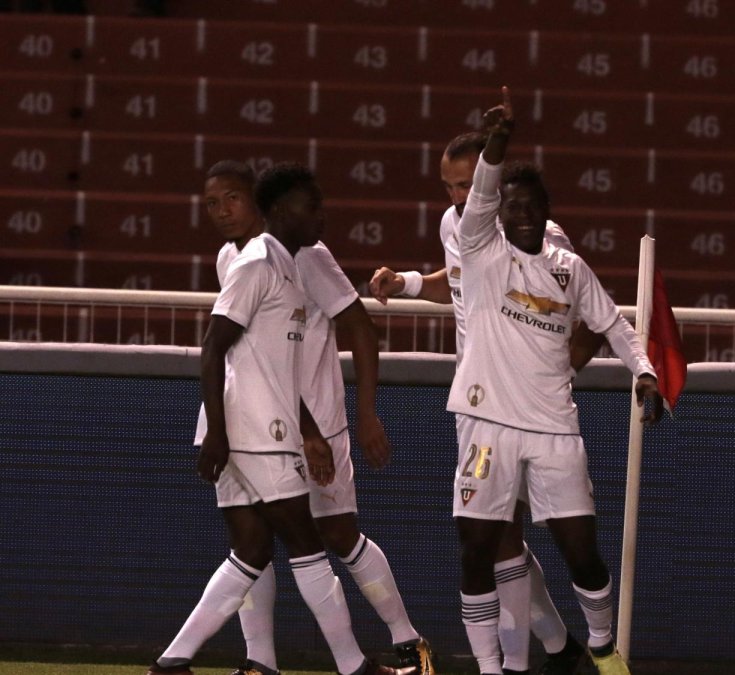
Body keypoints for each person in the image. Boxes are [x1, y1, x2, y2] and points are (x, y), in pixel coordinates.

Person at [149, 163, 397, 675]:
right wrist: (219, 433)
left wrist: (304, 427)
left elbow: (268, 363)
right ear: (280, 211)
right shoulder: (258, 264)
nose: (321, 218)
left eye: (230, 200)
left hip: (258, 427)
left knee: (250, 552)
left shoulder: (281, 263)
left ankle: (173, 663)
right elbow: (214, 347)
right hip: (255, 432)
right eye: (312, 208)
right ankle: (356, 668)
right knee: (308, 546)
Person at [446, 87, 661, 675]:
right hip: (487, 425)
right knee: (476, 549)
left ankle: (600, 648)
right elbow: (483, 190)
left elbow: (613, 324)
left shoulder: (569, 269)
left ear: (545, 211)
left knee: (581, 552)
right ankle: (491, 668)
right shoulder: (480, 250)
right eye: (509, 207)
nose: (519, 215)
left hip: (554, 430)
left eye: (530, 207)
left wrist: (643, 372)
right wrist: (498, 142)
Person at [369, 132, 597, 675]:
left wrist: (554, 376)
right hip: (476, 402)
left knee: (516, 537)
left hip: (531, 410)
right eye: (448, 186)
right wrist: (401, 282)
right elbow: (455, 281)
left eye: (466, 185)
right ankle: (557, 651)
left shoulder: (538, 233)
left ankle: (549, 655)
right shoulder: (457, 224)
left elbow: (589, 320)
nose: (455, 196)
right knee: (494, 534)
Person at [200, 160, 436, 675]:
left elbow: (359, 326)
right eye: (215, 202)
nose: (225, 211)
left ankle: (409, 642)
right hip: (264, 420)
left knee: (338, 534)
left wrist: (365, 412)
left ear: (259, 204)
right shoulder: (234, 258)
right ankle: (259, 661)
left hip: (317, 422)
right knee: (251, 541)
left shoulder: (308, 254)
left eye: (233, 199)